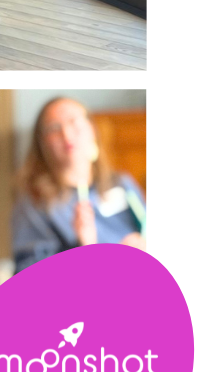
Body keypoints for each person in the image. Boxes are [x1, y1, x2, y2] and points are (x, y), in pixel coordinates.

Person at [11, 98, 147, 273]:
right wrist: (82, 250)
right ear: (42, 142)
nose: (67, 134)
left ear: (92, 129)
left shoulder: (122, 183)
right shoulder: (34, 204)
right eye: (54, 128)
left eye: (74, 122)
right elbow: (28, 278)